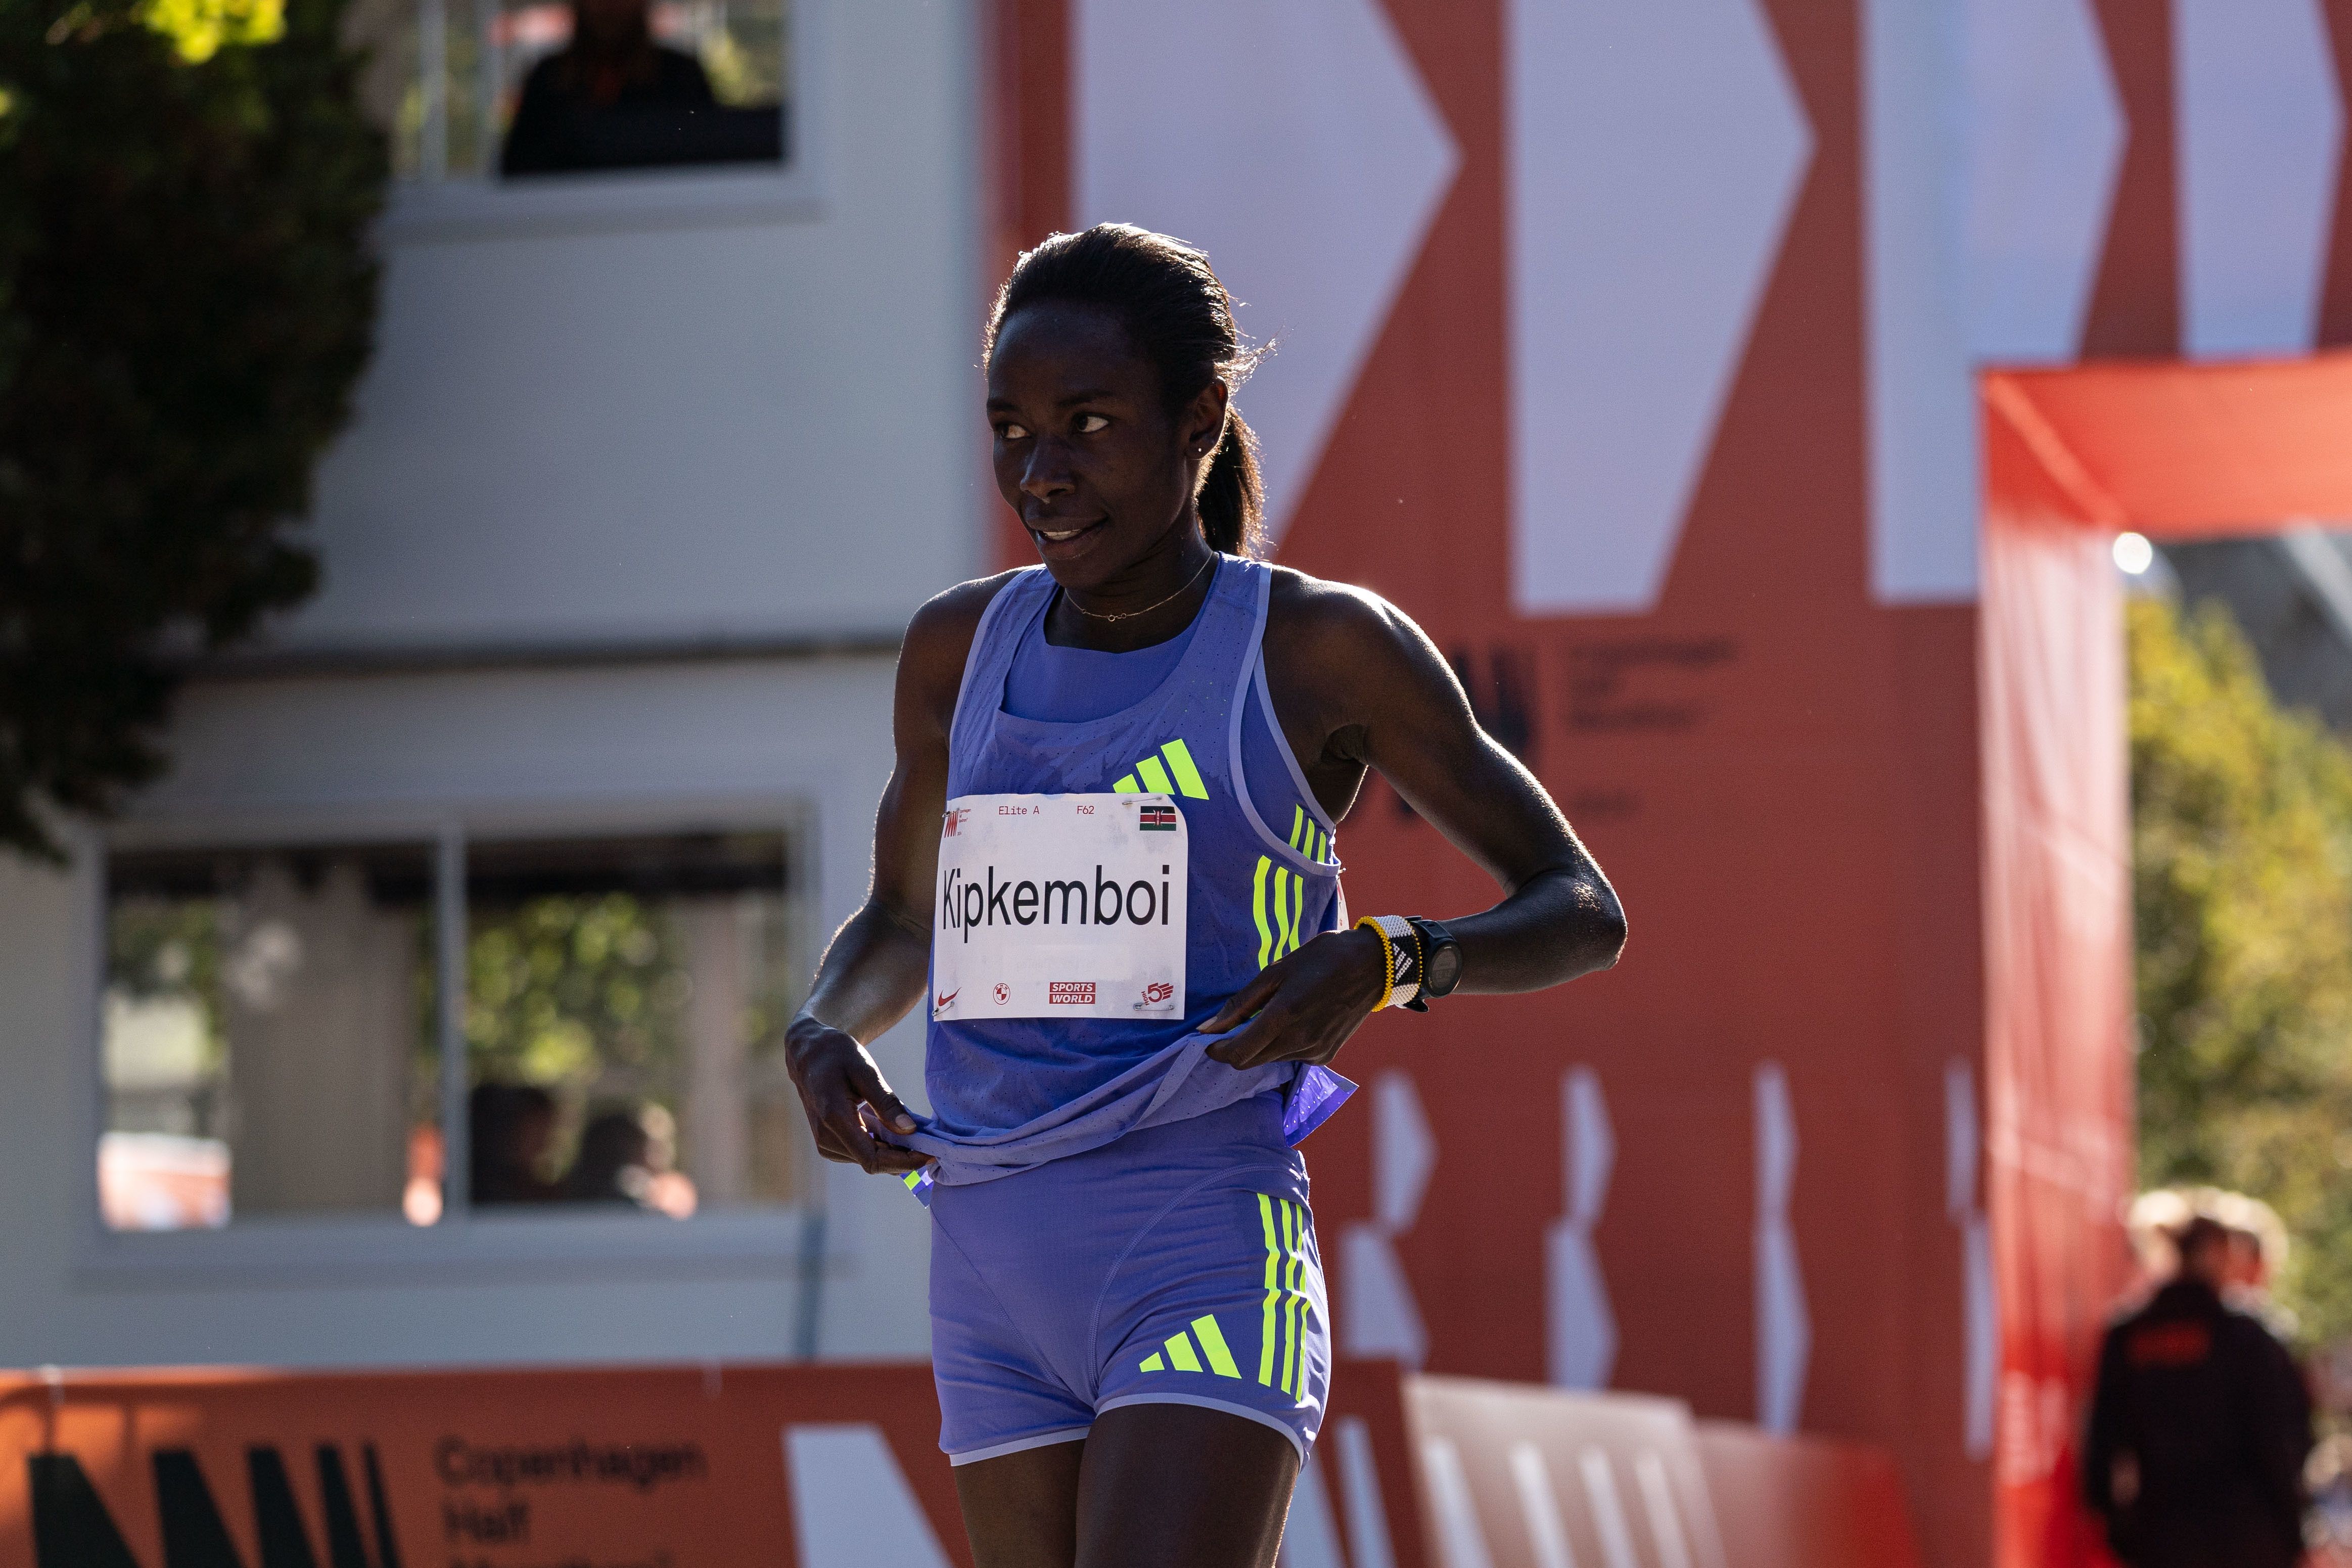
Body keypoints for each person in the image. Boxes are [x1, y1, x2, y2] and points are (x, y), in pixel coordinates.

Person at [783, 224, 1626, 1568]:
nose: (1040, 474)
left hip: (1198, 1242)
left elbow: (1577, 904)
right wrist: (823, 1029)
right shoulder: (958, 647)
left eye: (1088, 425)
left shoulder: (1313, 647)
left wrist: (1388, 959)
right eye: (1010, 429)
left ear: (1200, 420)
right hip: (989, 1256)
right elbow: (900, 917)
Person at [2084, 1214, 2314, 1568]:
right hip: (2247, 1536)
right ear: (2220, 1255)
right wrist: (2293, 1531)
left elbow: (2102, 1440)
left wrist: (2120, 1528)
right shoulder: (2246, 1337)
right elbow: (2280, 1441)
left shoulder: (2130, 1335)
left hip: (2161, 1534)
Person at [500, 0, 721, 177]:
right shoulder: (548, 79)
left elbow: (712, 162)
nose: (610, 5)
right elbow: (517, 171)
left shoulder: (681, 75)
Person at [468, 1082, 560, 1205]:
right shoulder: (487, 1190)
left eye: (547, 1129)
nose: (546, 1140)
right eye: (538, 1129)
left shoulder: (529, 1189)